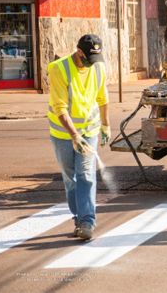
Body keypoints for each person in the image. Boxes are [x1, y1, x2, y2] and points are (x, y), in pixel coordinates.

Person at [47, 34, 110, 240]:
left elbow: (102, 97)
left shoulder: (98, 66)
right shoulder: (59, 69)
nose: (91, 65)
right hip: (63, 132)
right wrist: (74, 135)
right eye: (88, 59)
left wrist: (106, 125)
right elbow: (60, 107)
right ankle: (78, 216)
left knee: (85, 174)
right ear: (79, 52)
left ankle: (86, 222)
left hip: (90, 130)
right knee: (70, 176)